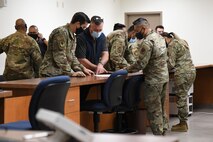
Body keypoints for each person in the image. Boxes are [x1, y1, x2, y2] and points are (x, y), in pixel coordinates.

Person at [126, 18, 169, 135]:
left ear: (143, 28)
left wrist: (125, 70)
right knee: (160, 106)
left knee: (153, 109)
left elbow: (141, 63)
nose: (135, 33)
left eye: (137, 30)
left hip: (154, 80)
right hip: (163, 77)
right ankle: (163, 129)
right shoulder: (159, 38)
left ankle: (158, 135)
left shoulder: (147, 41)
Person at [39, 12, 93, 77]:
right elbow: (59, 56)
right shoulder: (61, 32)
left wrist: (83, 69)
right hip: (50, 73)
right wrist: (71, 72)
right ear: (78, 24)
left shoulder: (73, 36)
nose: (84, 30)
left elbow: (72, 57)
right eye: (84, 27)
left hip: (60, 74)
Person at [161, 32, 196, 132]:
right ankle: (183, 122)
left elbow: (171, 63)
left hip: (182, 73)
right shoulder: (182, 41)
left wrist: (160, 68)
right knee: (183, 96)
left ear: (165, 38)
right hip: (191, 71)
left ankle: (183, 124)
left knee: (181, 97)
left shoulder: (172, 44)